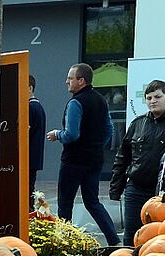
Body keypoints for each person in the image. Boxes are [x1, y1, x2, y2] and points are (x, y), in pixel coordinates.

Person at [47, 63, 120, 246]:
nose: (67, 82)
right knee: (92, 202)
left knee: (65, 204)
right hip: (94, 160)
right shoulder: (101, 100)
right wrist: (96, 145)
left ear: (81, 81)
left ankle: (64, 245)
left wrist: (57, 134)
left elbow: (71, 135)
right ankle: (114, 241)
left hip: (73, 161)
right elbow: (109, 130)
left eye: (70, 78)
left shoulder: (75, 103)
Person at [110, 79, 165, 246]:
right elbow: (123, 157)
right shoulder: (138, 123)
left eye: (157, 97)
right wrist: (116, 189)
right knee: (131, 236)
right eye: (149, 98)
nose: (153, 101)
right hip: (136, 188)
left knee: (163, 238)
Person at [27, 75, 46, 208]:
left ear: (30, 88)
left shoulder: (29, 107)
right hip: (34, 157)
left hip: (28, 156)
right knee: (30, 189)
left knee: (26, 190)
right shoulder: (39, 107)